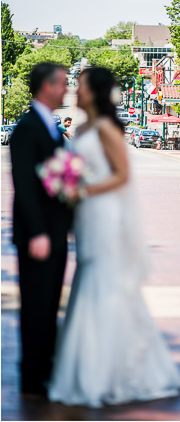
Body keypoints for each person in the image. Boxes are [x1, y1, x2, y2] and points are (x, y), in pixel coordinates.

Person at [46, 67, 180, 407]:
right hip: (86, 216)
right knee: (88, 277)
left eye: (79, 86)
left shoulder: (108, 129)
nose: (74, 92)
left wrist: (84, 190)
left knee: (105, 281)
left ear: (94, 92)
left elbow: (123, 176)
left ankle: (112, 371)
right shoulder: (80, 129)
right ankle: (89, 365)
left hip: (105, 215)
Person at [9, 62, 74, 397]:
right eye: (62, 83)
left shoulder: (49, 126)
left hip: (56, 233)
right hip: (39, 237)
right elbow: (24, 186)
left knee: (49, 304)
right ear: (46, 86)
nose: (66, 89)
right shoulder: (27, 128)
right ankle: (31, 377)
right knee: (35, 305)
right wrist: (36, 233)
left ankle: (45, 368)